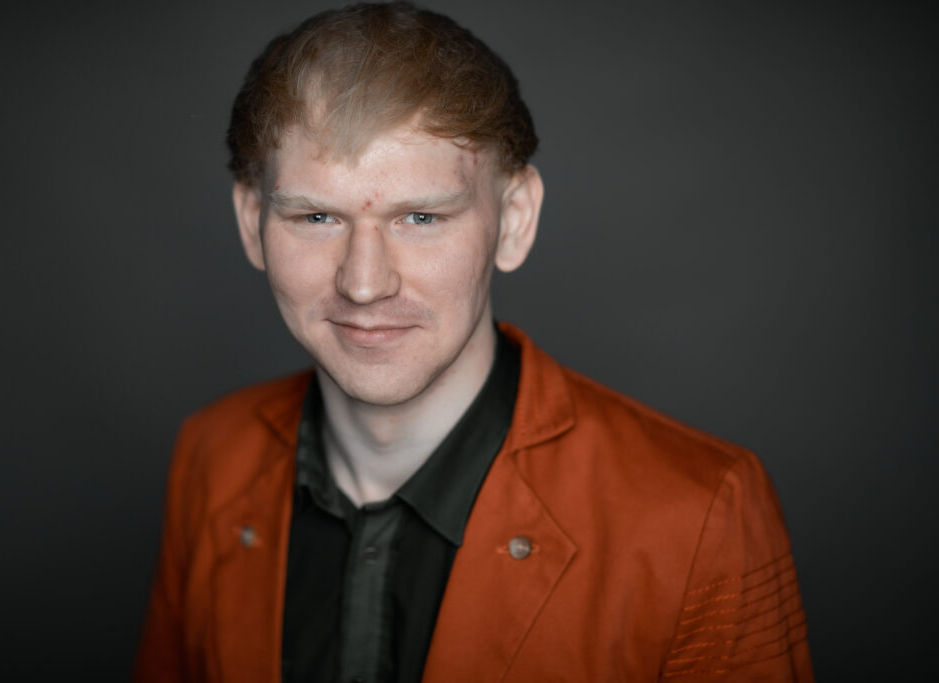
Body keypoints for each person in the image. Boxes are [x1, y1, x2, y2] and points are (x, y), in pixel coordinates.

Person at [133, 2, 814, 681]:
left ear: (514, 220)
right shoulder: (211, 456)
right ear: (251, 222)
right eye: (316, 217)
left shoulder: (700, 514)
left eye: (422, 217)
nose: (364, 284)